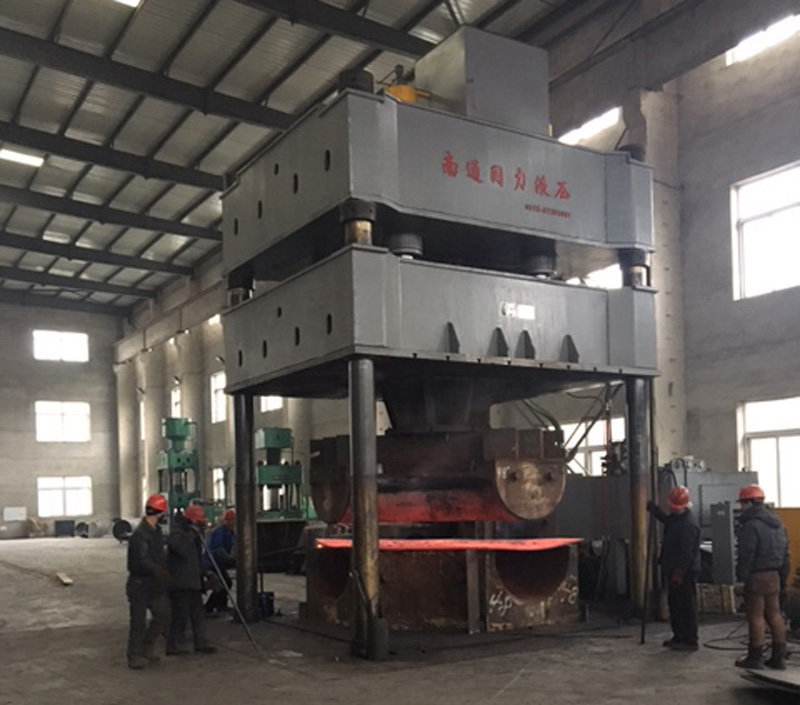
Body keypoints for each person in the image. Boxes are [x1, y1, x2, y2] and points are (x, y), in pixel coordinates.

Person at [735, 484, 789, 670]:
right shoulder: (778, 523)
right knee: (775, 614)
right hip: (775, 576)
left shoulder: (750, 526)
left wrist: (742, 578)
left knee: (756, 616)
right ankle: (779, 658)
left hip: (757, 576)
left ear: (750, 503)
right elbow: (785, 554)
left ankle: (755, 657)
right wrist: (783, 579)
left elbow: (746, 555)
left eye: (742, 503)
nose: (741, 507)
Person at [646, 485, 701, 651]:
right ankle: (679, 636)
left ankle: (690, 640)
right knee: (675, 605)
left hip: (684, 572)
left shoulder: (688, 525)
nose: (672, 509)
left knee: (686, 606)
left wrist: (679, 574)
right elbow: (669, 522)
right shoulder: (678, 518)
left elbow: (687, 554)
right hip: (674, 569)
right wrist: (656, 511)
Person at [126, 494, 171, 670]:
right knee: (138, 621)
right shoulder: (140, 535)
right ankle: (134, 656)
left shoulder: (155, 531)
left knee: (162, 615)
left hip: (154, 583)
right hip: (140, 584)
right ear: (160, 512)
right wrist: (160, 571)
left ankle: (147, 646)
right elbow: (142, 560)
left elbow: (158, 555)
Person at [166, 505, 216, 656]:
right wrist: (191, 534)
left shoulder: (195, 537)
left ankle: (200, 642)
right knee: (180, 616)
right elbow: (181, 550)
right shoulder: (176, 534)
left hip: (193, 581)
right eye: (198, 522)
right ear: (191, 521)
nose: (201, 526)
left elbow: (197, 558)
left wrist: (206, 573)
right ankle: (174, 645)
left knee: (198, 614)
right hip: (180, 582)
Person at [205, 509, 236, 614]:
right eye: (231, 520)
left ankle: (221, 605)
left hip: (219, 564)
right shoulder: (220, 531)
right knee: (221, 584)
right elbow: (219, 550)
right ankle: (209, 607)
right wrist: (230, 559)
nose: (233, 523)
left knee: (226, 582)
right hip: (211, 563)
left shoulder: (230, 532)